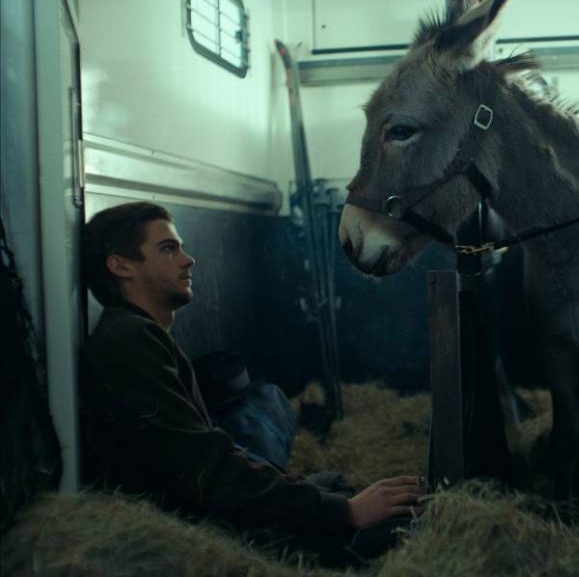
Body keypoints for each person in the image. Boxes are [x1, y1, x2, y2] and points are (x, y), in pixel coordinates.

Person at [79, 201, 423, 567]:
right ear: (120, 265)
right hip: (201, 540)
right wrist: (345, 513)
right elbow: (207, 470)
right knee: (398, 528)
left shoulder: (142, 334)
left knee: (336, 484)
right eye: (168, 248)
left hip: (213, 519)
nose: (188, 259)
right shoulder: (128, 342)